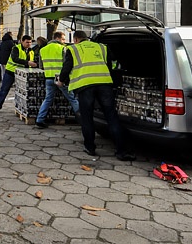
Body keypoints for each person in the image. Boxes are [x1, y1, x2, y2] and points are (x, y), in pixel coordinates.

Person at [58, 30, 135, 161]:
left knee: (87, 117)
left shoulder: (73, 49)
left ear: (76, 39)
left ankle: (90, 147)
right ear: (87, 38)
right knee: (111, 116)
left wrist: (61, 80)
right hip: (104, 84)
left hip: (85, 86)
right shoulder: (102, 46)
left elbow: (67, 67)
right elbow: (112, 63)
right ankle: (121, 151)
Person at [34, 31, 79, 129]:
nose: (64, 41)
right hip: (60, 78)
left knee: (47, 99)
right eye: (63, 39)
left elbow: (41, 66)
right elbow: (67, 64)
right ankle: (83, 118)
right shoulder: (63, 48)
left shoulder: (43, 49)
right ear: (57, 38)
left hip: (49, 78)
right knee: (72, 99)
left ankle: (39, 120)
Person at [0, 34, 37, 111]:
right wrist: (27, 63)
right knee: (4, 88)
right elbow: (15, 59)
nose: (29, 44)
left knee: (21, 91)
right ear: (22, 41)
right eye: (27, 42)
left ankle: (19, 106)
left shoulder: (31, 51)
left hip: (23, 74)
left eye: (30, 42)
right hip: (11, 72)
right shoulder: (16, 48)